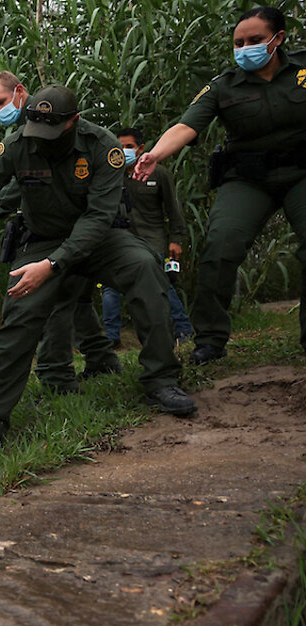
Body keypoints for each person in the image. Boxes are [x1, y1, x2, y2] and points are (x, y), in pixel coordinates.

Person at [0, 84, 196, 448]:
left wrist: (52, 265)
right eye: (37, 131)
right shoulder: (18, 144)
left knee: (145, 267)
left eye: (52, 131)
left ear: (74, 122)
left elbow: (98, 218)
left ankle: (161, 380)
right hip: (43, 239)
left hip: (100, 239)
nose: (43, 140)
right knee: (20, 310)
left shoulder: (104, 148)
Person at [133, 6, 306, 363]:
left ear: (279, 39)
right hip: (248, 179)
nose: (245, 48)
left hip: (302, 174)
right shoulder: (223, 85)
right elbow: (186, 126)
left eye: (255, 40)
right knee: (220, 248)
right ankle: (210, 340)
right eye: (238, 43)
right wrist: (155, 155)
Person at [0, 72, 123, 393]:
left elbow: (28, 182)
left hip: (77, 229)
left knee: (57, 299)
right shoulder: (26, 132)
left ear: (20, 92)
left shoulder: (48, 123)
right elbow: (23, 181)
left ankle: (55, 374)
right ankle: (101, 358)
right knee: (77, 299)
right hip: (62, 227)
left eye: (0, 103)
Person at [104, 127, 194, 347]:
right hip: (121, 238)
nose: (124, 151)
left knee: (161, 283)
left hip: (151, 238)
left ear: (141, 148)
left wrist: (176, 239)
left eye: (129, 147)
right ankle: (111, 338)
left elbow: (173, 209)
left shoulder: (158, 174)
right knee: (110, 286)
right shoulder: (111, 174)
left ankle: (182, 329)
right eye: (120, 147)